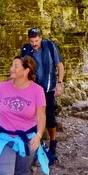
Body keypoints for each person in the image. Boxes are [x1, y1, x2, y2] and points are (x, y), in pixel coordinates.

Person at [21, 27, 65, 161]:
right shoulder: (26, 50)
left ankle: (53, 146)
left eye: (36, 40)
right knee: (32, 119)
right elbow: (22, 69)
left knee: (50, 119)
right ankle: (35, 147)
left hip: (48, 89)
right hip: (32, 91)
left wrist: (60, 83)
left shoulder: (50, 47)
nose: (34, 43)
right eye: (32, 41)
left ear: (41, 38)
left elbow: (60, 66)